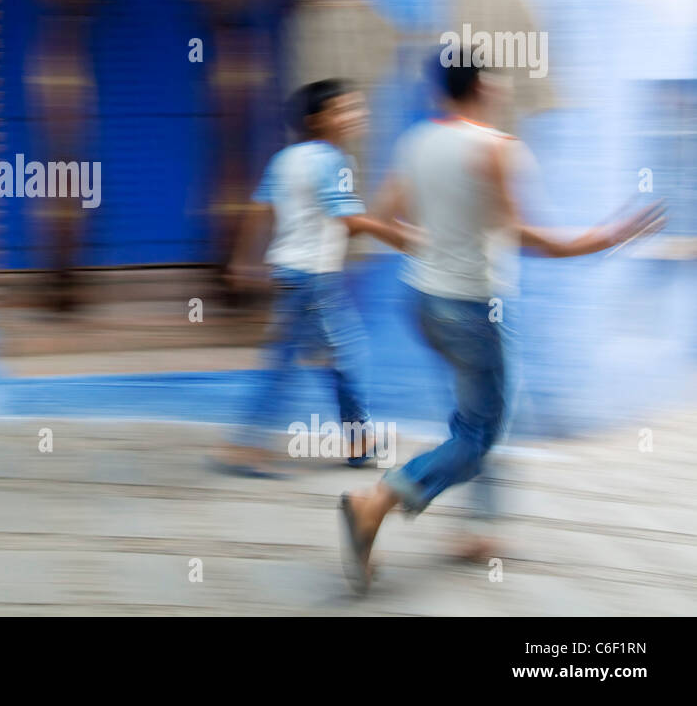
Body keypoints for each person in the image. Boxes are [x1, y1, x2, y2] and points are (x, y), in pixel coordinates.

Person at [337, 48, 665, 593]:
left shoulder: (414, 141)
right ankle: (377, 501)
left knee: (480, 412)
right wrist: (608, 238)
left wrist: (424, 242)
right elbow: (527, 237)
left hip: (422, 301)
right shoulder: (496, 148)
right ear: (484, 85)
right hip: (474, 308)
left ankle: (479, 529)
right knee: (481, 433)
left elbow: (384, 214)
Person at [214, 79, 410, 476]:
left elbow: (259, 210)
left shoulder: (285, 159)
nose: (356, 115)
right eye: (345, 109)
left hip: (292, 273)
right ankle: (247, 446)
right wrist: (395, 233)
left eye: (357, 107)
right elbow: (348, 221)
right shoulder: (333, 162)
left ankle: (359, 440)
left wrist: (242, 261)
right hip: (314, 279)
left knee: (333, 359)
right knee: (323, 359)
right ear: (318, 120)